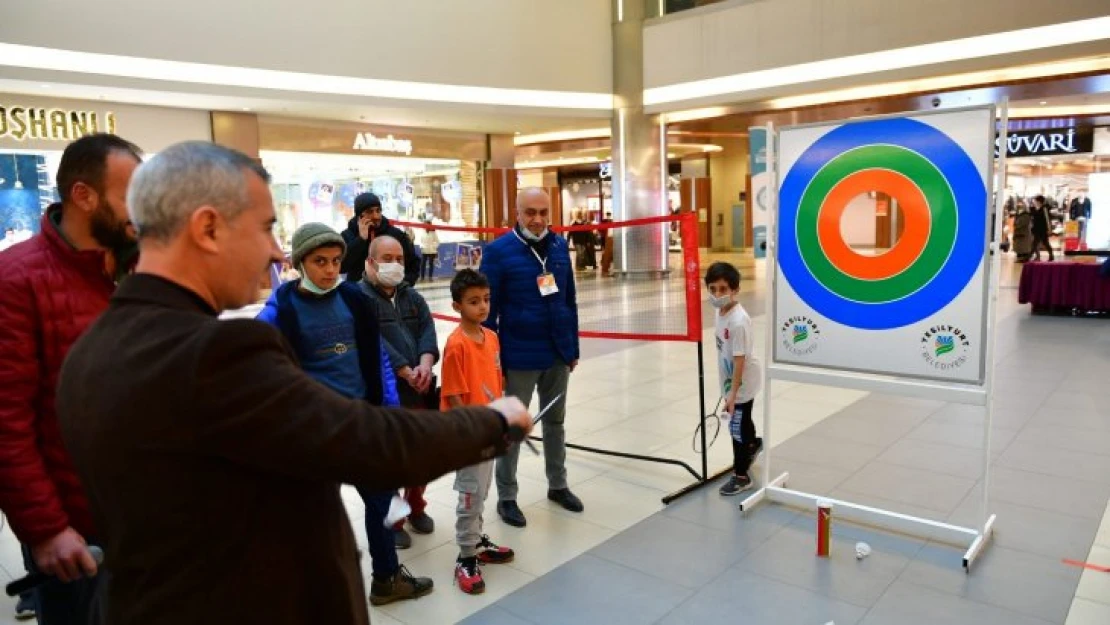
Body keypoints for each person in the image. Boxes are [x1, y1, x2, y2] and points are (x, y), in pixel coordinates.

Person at [55, 141, 533, 625]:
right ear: (207, 228)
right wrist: (494, 423)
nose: (275, 250)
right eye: (264, 228)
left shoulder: (88, 354)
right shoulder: (215, 353)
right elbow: (370, 442)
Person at [0, 133, 142, 625]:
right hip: (78, 539)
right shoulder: (16, 281)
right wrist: (45, 529)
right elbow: (7, 422)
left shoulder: (134, 271)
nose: (140, 212)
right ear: (83, 196)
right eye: (130, 197)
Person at [255, 223, 434, 605]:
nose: (330, 270)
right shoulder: (282, 309)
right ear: (299, 262)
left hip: (363, 426)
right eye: (320, 262)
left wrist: (388, 409)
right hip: (316, 435)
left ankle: (386, 578)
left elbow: (379, 359)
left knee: (384, 503)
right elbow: (254, 361)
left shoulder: (354, 300)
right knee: (316, 517)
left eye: (336, 261)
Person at [480, 187, 582, 528]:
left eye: (542, 212)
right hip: (519, 356)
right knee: (512, 428)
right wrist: (494, 362)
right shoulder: (497, 252)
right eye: (529, 213)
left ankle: (558, 485)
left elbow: (568, 300)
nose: (537, 219)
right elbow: (487, 314)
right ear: (517, 213)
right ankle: (507, 496)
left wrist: (572, 348)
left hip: (556, 353)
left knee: (555, 422)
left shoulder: (557, 245)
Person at [360, 235, 439, 548]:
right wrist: (403, 369)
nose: (394, 264)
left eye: (400, 259)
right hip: (384, 394)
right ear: (370, 262)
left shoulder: (412, 297)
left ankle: (417, 506)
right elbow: (371, 340)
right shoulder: (359, 299)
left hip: (418, 389)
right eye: (386, 258)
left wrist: (425, 364)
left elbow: (427, 331)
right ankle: (394, 520)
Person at [442, 269, 516, 594]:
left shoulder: (493, 338)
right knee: (470, 494)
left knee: (483, 490)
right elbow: (455, 396)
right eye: (473, 302)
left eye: (485, 300)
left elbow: (497, 385)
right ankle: (466, 556)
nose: (482, 307)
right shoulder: (456, 345)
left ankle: (476, 540)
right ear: (457, 306)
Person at [704, 262, 764, 496]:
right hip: (732, 380)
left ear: (735, 290)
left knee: (736, 426)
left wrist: (732, 394)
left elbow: (739, 360)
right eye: (712, 289)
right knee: (743, 418)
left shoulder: (738, 322)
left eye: (723, 289)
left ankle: (741, 476)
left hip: (742, 380)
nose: (717, 295)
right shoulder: (721, 312)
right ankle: (752, 445)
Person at [340, 192, 420, 284]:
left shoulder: (395, 234)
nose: (376, 216)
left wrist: (402, 286)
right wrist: (361, 239)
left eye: (378, 211)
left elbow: (413, 264)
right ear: (359, 215)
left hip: (390, 294)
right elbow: (341, 267)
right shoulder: (348, 235)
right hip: (357, 294)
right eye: (369, 212)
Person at [1030, 195, 1055, 261]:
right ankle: (1033, 256)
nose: (1034, 202)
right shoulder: (1037, 208)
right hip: (1037, 229)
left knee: (1045, 243)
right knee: (1035, 243)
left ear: (1039, 201)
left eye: (1035, 200)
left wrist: (1049, 229)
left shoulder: (1044, 209)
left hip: (1043, 230)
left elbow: (1047, 220)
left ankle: (1051, 255)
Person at [599, 211, 614, 277]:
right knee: (607, 253)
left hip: (608, 237)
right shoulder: (605, 222)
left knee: (607, 253)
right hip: (608, 237)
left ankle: (605, 268)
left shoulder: (608, 221)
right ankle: (605, 269)